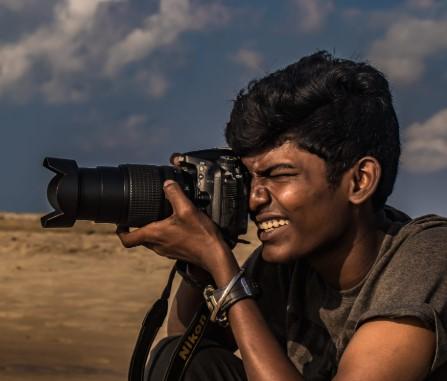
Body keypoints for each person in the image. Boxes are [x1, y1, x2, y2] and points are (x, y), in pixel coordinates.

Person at [117, 51, 447, 380]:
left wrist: (222, 266)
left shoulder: (428, 255)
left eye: (279, 175)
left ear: (360, 180)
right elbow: (183, 358)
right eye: (250, 179)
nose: (255, 197)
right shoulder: (288, 265)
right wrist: (201, 264)